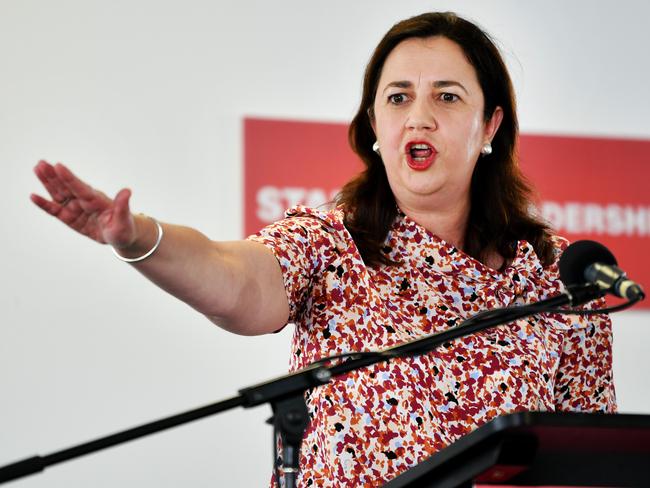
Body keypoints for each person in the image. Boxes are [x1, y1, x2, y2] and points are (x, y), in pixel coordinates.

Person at [31, 11, 616, 488]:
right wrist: (140, 239)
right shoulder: (330, 242)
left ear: (489, 126)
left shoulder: (561, 277)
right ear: (374, 124)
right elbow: (232, 277)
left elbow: (589, 465)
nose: (419, 116)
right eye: (398, 97)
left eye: (446, 97)